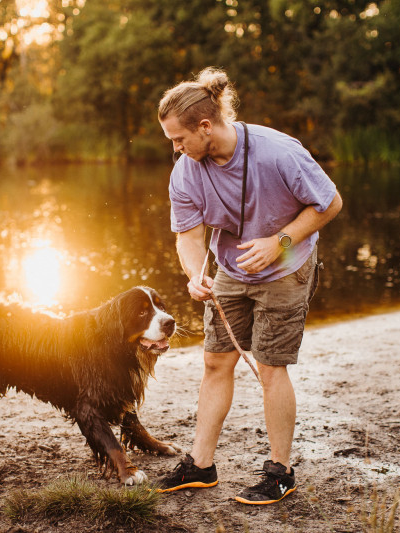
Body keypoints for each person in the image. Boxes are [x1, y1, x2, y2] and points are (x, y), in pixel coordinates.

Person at [155, 67, 342, 505]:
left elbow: (330, 202)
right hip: (230, 272)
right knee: (215, 362)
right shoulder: (186, 170)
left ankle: (281, 472)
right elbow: (188, 236)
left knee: (271, 367)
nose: (176, 149)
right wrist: (194, 274)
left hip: (286, 268)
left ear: (205, 127)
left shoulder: (277, 152)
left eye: (179, 139)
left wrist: (279, 242)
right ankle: (201, 466)